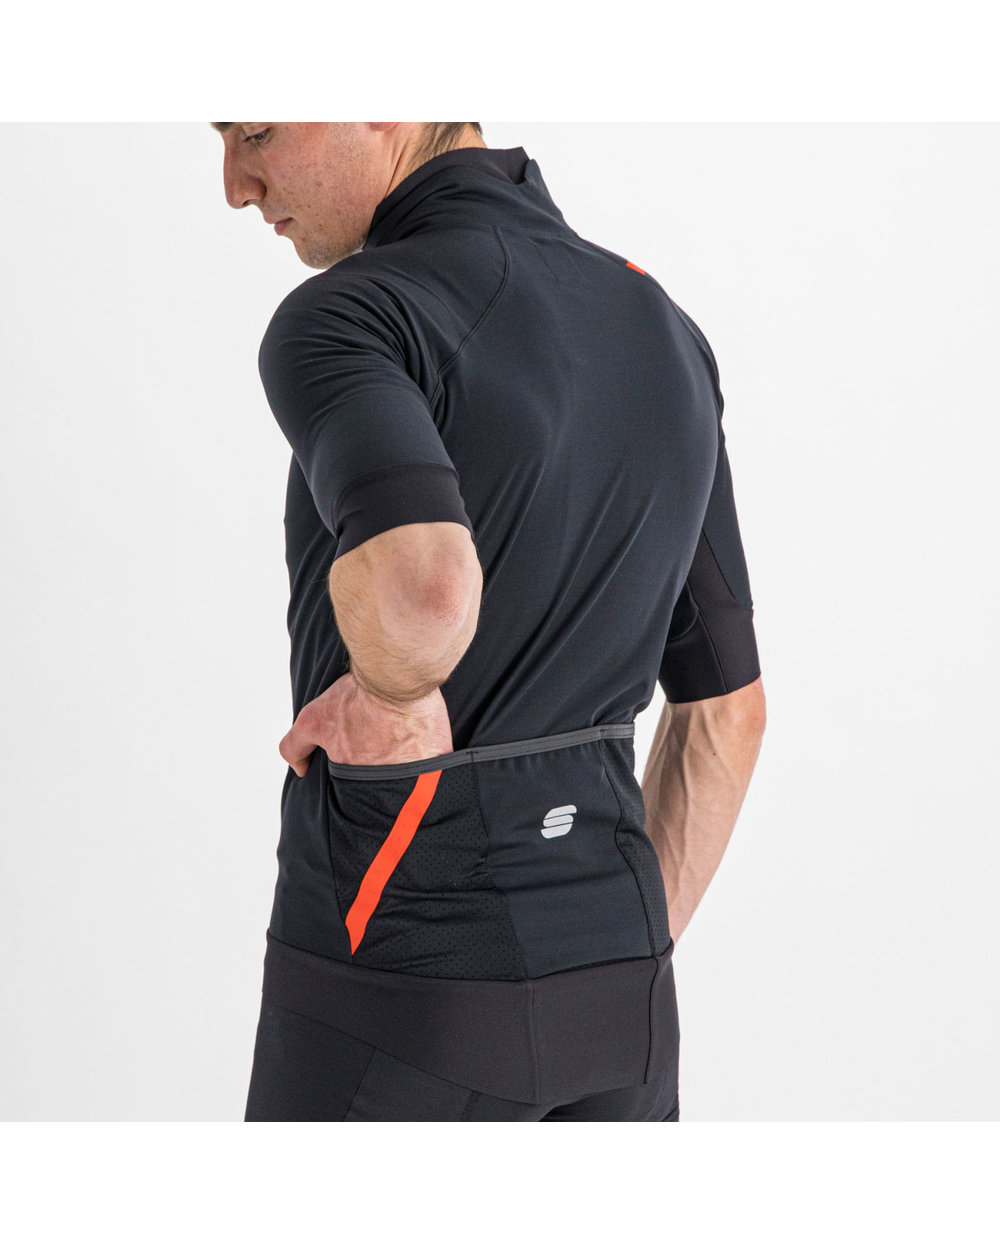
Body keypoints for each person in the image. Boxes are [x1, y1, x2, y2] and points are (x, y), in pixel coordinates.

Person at [212, 122, 767, 1121]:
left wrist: (390, 696)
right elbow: (727, 714)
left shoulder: (353, 314)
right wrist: (601, 961)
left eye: (255, 131)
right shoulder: (659, 324)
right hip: (623, 1007)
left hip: (401, 985)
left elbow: (427, 589)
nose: (235, 184)